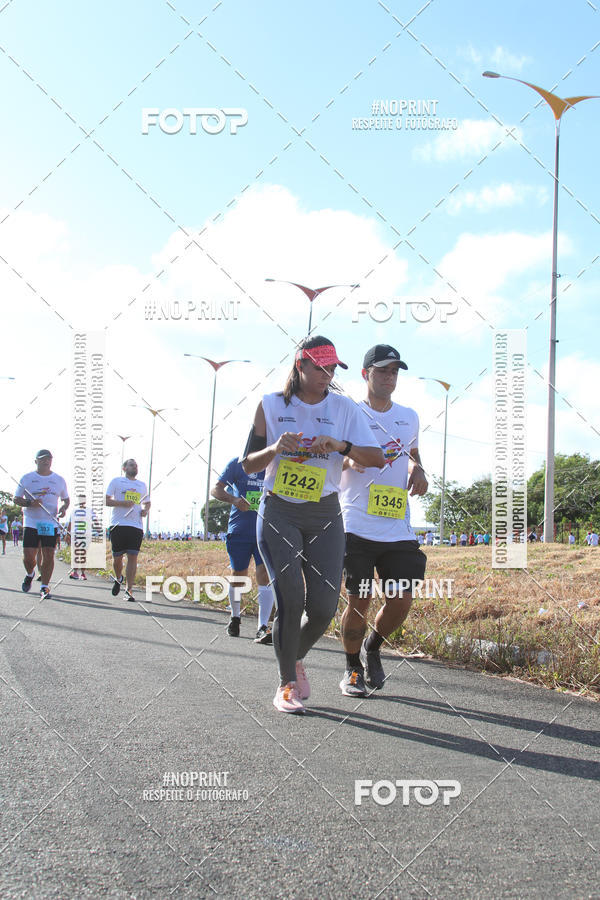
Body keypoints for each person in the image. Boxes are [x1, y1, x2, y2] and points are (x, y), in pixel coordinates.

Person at [243, 335, 384, 714]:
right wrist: (274, 449)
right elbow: (248, 465)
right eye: (320, 367)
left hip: (324, 512)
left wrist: (340, 447)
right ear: (299, 366)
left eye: (333, 368)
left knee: (322, 607)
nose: (327, 374)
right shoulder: (271, 405)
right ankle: (286, 684)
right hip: (279, 511)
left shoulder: (344, 409)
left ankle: (294, 655)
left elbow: (376, 458)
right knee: (291, 598)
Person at [338, 344, 428, 696]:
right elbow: (332, 457)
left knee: (401, 599)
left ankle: (372, 647)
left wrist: (418, 469)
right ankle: (351, 669)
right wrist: (349, 462)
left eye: (395, 372)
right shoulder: (350, 413)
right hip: (356, 523)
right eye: (382, 371)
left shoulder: (409, 416)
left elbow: (411, 454)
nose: (390, 377)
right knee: (359, 600)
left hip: (396, 525)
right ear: (366, 375)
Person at [211, 457, 276, 643]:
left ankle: (262, 626)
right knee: (238, 575)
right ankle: (235, 616)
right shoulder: (236, 463)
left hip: (265, 529)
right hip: (240, 529)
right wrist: (234, 500)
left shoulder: (274, 462)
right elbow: (216, 489)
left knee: (264, 573)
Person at [13, 449, 70, 599]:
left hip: (50, 522)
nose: (46, 461)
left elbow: (66, 499)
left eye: (49, 459)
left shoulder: (59, 479)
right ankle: (30, 573)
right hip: (31, 522)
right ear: (36, 461)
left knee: (49, 553)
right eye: (43, 459)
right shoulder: (27, 478)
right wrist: (30, 503)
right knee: (29, 556)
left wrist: (64, 508)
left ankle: (45, 587)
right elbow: (16, 499)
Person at [105, 459, 150, 601]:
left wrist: (145, 510)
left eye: (136, 465)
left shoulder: (141, 485)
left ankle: (129, 590)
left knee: (133, 557)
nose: (134, 467)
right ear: (124, 468)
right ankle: (118, 577)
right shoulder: (116, 481)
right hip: (118, 524)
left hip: (136, 526)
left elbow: (147, 502)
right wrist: (122, 503)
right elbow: (106, 501)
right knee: (117, 558)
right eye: (131, 465)